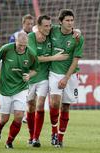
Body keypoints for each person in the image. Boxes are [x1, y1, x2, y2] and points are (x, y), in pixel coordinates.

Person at [26, 15, 69, 147]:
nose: (48, 28)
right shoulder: (31, 37)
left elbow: (67, 29)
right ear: (38, 27)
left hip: (44, 77)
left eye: (50, 25)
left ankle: (36, 138)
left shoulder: (50, 34)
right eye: (45, 26)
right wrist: (54, 58)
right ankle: (31, 135)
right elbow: (35, 59)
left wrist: (77, 31)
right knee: (30, 106)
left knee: (40, 105)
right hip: (30, 77)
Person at [0, 32, 38, 149]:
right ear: (15, 42)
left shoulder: (31, 53)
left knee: (19, 116)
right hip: (5, 88)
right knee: (4, 119)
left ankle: (9, 142)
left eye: (24, 45)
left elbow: (35, 69)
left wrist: (29, 76)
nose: (22, 48)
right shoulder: (6, 49)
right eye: (19, 45)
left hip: (21, 88)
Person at [49, 9, 84, 148]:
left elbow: (75, 60)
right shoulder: (53, 30)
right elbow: (37, 27)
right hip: (54, 72)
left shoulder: (77, 38)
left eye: (72, 20)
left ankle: (61, 137)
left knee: (65, 106)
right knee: (54, 103)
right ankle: (53, 133)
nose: (70, 23)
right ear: (60, 22)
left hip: (71, 74)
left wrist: (66, 78)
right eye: (67, 20)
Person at [9, 14, 35, 123]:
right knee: (22, 92)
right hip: (19, 68)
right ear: (23, 23)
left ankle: (26, 115)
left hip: (32, 68)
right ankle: (21, 114)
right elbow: (10, 51)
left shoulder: (35, 35)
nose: (30, 26)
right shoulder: (16, 35)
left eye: (31, 24)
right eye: (28, 24)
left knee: (30, 94)